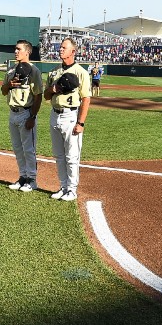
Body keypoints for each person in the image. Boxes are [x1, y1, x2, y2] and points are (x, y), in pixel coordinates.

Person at [46, 37, 91, 202]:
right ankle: (63, 186)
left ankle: (72, 189)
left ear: (73, 51)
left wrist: (81, 123)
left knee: (72, 156)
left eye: (64, 47)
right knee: (59, 155)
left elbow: (86, 98)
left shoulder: (81, 72)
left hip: (71, 116)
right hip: (54, 114)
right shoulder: (54, 72)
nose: (60, 50)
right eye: (60, 47)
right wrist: (53, 88)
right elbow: (45, 95)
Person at [3, 39, 43, 192]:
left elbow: (38, 96)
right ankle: (22, 177)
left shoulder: (34, 71)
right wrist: (9, 84)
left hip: (26, 112)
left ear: (27, 52)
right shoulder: (11, 70)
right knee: (17, 148)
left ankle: (31, 180)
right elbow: (3, 91)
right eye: (15, 48)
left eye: (19, 49)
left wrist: (32, 117)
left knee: (28, 149)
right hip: (13, 112)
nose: (16, 51)